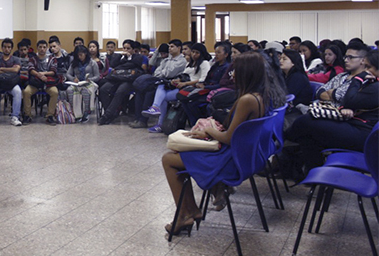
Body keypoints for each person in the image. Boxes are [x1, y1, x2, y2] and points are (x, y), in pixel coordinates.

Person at [161, 51, 286, 235]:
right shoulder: (261, 95)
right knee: (178, 156)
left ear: (246, 73)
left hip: (232, 161)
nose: (232, 75)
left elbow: (228, 137)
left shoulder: (246, 100)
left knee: (168, 159)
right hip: (248, 156)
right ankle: (190, 210)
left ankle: (185, 214)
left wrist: (208, 131)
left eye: (235, 71)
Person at [286, 43, 377, 174]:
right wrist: (334, 95)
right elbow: (320, 91)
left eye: (350, 57)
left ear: (363, 61)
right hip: (345, 119)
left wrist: (356, 80)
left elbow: (347, 99)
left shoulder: (370, 83)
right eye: (345, 57)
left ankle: (285, 139)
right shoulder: (343, 76)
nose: (346, 60)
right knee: (307, 136)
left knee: (307, 120)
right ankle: (313, 175)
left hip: (359, 132)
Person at [143, 43, 211, 133]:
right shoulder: (189, 63)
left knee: (162, 97)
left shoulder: (204, 63)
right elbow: (184, 75)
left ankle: (157, 112)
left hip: (192, 88)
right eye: (193, 52)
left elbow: (203, 79)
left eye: (197, 52)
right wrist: (177, 80)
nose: (194, 54)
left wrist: (185, 83)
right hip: (183, 87)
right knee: (161, 85)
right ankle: (157, 114)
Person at [130, 39, 186, 129]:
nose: (170, 49)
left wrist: (163, 73)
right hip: (163, 83)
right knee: (140, 91)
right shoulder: (166, 60)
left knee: (151, 92)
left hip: (172, 85)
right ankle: (139, 118)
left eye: (172, 47)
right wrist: (164, 72)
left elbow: (169, 73)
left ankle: (146, 119)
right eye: (169, 47)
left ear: (179, 48)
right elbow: (157, 72)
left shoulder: (182, 61)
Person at [177, 42, 232, 126]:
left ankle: (198, 124)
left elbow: (222, 84)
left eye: (219, 52)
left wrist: (206, 86)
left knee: (192, 102)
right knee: (184, 99)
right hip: (206, 88)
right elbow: (207, 78)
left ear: (226, 54)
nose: (216, 55)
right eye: (215, 52)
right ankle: (194, 123)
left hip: (215, 91)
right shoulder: (215, 65)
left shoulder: (227, 67)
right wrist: (201, 84)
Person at [98, 39, 146, 125]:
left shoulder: (138, 57)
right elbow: (112, 65)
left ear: (133, 49)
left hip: (128, 80)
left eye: (128, 48)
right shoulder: (119, 57)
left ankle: (107, 115)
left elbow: (135, 65)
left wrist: (125, 63)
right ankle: (112, 113)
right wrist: (121, 56)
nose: (126, 50)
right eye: (124, 48)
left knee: (120, 91)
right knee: (103, 89)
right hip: (117, 78)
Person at [22, 40, 59, 125]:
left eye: (44, 47)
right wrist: (39, 75)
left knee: (55, 92)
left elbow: (53, 71)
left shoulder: (52, 59)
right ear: (37, 48)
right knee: (26, 92)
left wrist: (43, 74)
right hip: (35, 82)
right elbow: (31, 70)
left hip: (48, 83)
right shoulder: (33, 59)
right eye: (40, 47)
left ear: (47, 48)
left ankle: (50, 116)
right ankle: (27, 115)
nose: (42, 49)